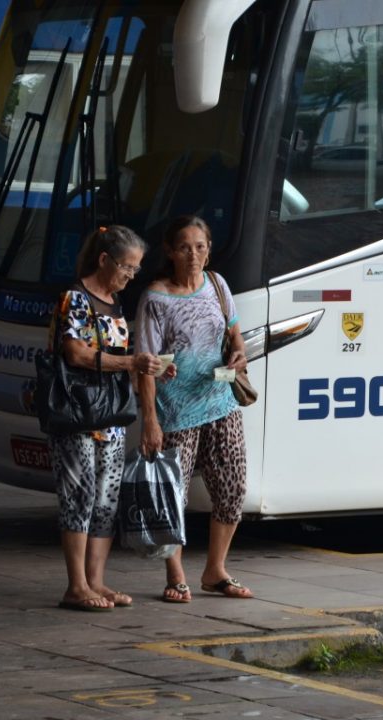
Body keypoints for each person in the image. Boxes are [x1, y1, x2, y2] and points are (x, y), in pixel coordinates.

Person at [48, 225, 167, 612]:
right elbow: (76, 355)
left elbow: (120, 362)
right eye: (126, 267)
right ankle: (76, 585)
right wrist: (132, 361)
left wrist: (152, 368)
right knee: (78, 497)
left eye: (135, 270)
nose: (130, 276)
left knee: (105, 501)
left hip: (111, 417)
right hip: (78, 414)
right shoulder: (76, 299)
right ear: (104, 260)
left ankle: (96, 581)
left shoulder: (114, 304)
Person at [136, 215, 252, 604]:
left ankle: (215, 570)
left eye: (200, 247)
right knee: (174, 496)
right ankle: (176, 575)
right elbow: (145, 365)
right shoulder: (156, 298)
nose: (193, 255)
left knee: (233, 489)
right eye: (184, 247)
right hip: (175, 411)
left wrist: (238, 354)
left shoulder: (217, 285)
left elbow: (234, 333)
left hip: (220, 403)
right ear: (169, 252)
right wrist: (150, 421)